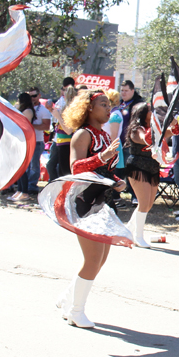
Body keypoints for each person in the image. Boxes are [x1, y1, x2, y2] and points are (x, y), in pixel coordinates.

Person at [57, 88, 127, 327]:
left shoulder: (105, 136)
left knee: (101, 258)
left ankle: (68, 299)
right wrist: (102, 157)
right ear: (89, 108)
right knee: (93, 259)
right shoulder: (82, 134)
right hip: (86, 201)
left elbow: (103, 171)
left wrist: (116, 181)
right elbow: (76, 168)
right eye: (104, 105)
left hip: (104, 200)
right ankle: (76, 311)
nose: (109, 109)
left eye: (109, 105)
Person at [124, 102, 160, 247]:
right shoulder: (136, 129)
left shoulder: (154, 128)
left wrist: (173, 124)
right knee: (144, 203)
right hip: (138, 165)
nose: (154, 112)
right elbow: (144, 139)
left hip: (152, 166)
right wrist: (156, 131)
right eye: (151, 110)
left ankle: (129, 229)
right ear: (143, 113)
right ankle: (138, 236)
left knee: (148, 204)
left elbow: (171, 133)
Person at [47, 85, 80, 180]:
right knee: (60, 170)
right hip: (61, 143)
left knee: (65, 172)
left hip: (67, 144)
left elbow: (69, 130)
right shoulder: (68, 110)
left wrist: (58, 117)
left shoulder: (71, 111)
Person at [10, 92, 37, 201]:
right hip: (19, 139)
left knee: (22, 168)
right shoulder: (23, 110)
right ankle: (20, 190)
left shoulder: (28, 111)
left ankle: (24, 192)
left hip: (24, 140)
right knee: (18, 167)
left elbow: (23, 125)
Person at [25, 87, 52, 194]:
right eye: (30, 96)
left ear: (39, 95)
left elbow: (46, 126)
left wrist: (31, 126)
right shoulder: (25, 108)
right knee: (26, 164)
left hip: (38, 140)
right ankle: (24, 184)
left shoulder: (43, 110)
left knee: (34, 165)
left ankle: (32, 186)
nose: (32, 98)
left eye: (34, 96)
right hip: (26, 141)